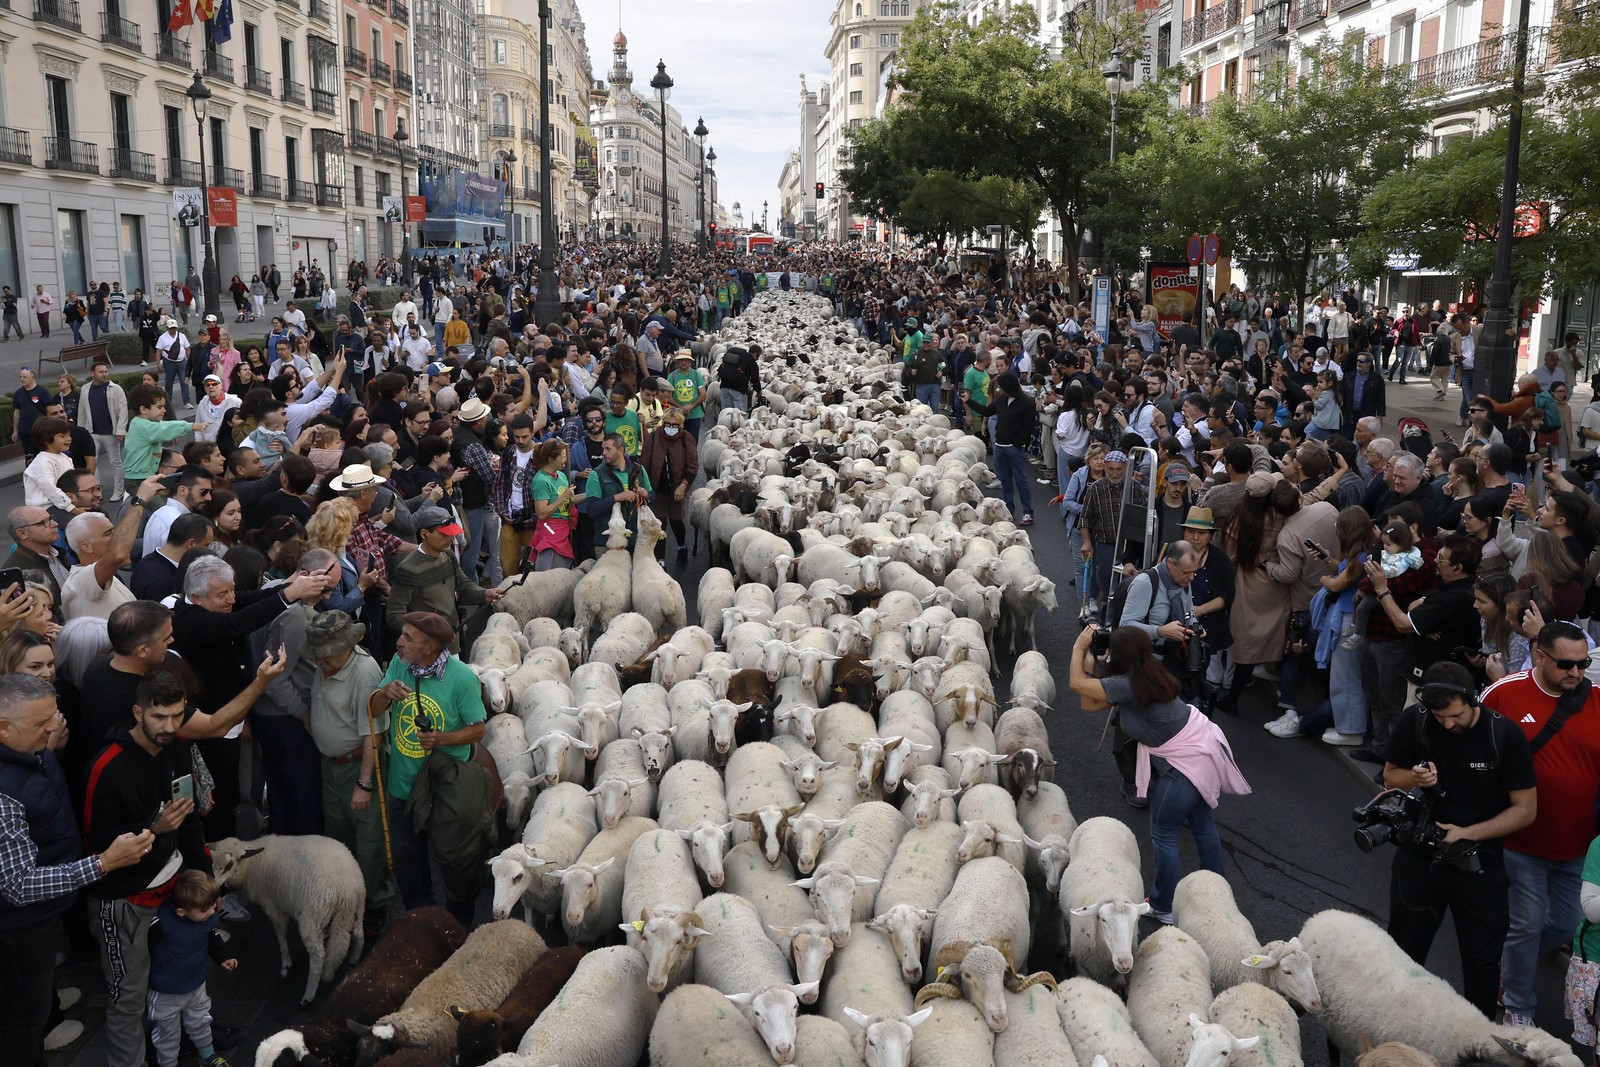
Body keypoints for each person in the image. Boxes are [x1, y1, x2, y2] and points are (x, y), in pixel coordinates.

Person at [0, 672, 153, 1067]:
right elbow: (17, 885)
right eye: (40, 723)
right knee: (23, 1023)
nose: (54, 728)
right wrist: (103, 863)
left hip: (42, 917)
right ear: (3, 727)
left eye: (54, 715)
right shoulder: (2, 794)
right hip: (17, 928)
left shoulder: (26, 751)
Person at [1381, 661, 1538, 1018]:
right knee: (1403, 956)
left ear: (1474, 700)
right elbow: (1391, 777)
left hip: (1480, 865)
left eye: (1455, 716)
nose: (1448, 724)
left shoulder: (1505, 736)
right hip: (1420, 859)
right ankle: (1397, 1032)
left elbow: (1525, 809)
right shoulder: (1416, 720)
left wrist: (1467, 833)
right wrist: (1416, 779)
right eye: (1440, 717)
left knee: (1482, 964)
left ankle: (1477, 1044)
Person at [1068, 623, 1249, 924]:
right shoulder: (1149, 672)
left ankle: (1163, 904)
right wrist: (1094, 669)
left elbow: (1076, 685)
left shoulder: (1125, 684)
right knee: (1203, 826)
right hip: (1203, 756)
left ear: (1118, 655)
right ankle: (1217, 892)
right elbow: (1090, 703)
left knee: (1164, 834)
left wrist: (1078, 649)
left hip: (1184, 768)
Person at [81, 666, 216, 1067]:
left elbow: (188, 818)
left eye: (178, 716)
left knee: (178, 978)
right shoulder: (106, 767)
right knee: (129, 998)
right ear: (138, 713)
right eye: (159, 716)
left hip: (171, 891)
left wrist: (204, 876)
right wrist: (152, 829)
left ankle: (177, 1045)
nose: (169, 726)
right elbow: (94, 847)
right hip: (124, 902)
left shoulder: (176, 749)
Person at [1481, 620, 1600, 1028]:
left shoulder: (1599, 701)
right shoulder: (1504, 693)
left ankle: (1507, 963)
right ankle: (1517, 1005)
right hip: (1520, 842)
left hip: (1578, 847)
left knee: (1564, 925)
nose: (1576, 673)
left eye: (1583, 664)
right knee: (1527, 925)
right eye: (1567, 664)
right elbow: (1475, 751)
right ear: (1539, 655)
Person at [370, 611, 487, 924]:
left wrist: (441, 739)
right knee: (409, 859)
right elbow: (375, 708)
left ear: (430, 647)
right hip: (402, 785)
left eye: (409, 638)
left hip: (445, 785)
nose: (399, 642)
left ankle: (458, 922)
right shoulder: (399, 665)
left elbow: (478, 729)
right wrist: (384, 694)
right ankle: (420, 920)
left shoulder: (462, 678)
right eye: (402, 633)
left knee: (454, 857)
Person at [303, 610, 393, 935]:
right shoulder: (328, 664)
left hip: (358, 767)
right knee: (337, 836)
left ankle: (374, 904)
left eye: (328, 658)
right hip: (331, 767)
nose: (322, 665)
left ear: (348, 645)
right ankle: (344, 899)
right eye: (319, 658)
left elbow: (374, 733)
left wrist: (364, 784)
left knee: (368, 841)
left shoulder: (364, 672)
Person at [145, 869, 236, 1067]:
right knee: (167, 1035)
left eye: (213, 906)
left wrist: (222, 957)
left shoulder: (204, 918)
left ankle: (208, 1053)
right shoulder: (160, 925)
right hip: (165, 993)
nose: (213, 912)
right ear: (181, 912)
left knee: (201, 1021)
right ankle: (168, 1064)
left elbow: (211, 936)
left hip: (196, 985)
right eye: (206, 910)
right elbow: (138, 947)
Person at [385, 506, 505, 645]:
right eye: (444, 534)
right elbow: (394, 615)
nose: (451, 538)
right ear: (424, 534)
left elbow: (464, 587)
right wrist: (425, 633)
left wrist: (485, 594)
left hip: (453, 644)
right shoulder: (408, 569)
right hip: (427, 650)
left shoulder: (448, 555)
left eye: (452, 533)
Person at [62, 476, 159, 622]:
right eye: (108, 533)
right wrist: (140, 500)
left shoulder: (110, 576)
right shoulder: (80, 581)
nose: (117, 538)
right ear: (86, 547)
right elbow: (118, 554)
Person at [640, 408, 698, 561]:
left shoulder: (686, 439)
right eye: (667, 424)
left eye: (675, 425)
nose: (670, 428)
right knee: (659, 524)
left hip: (677, 488)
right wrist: (645, 488)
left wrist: (683, 485)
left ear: (681, 426)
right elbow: (644, 464)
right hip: (657, 488)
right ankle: (660, 560)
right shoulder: (653, 438)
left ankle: (681, 545)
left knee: (676, 520)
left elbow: (692, 465)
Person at [580, 432, 652, 548]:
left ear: (620, 450)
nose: (603, 453)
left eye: (608, 449)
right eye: (603, 449)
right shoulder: (596, 474)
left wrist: (646, 494)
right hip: (607, 543)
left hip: (636, 541)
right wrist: (617, 497)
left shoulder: (638, 469)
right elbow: (591, 509)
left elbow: (652, 497)